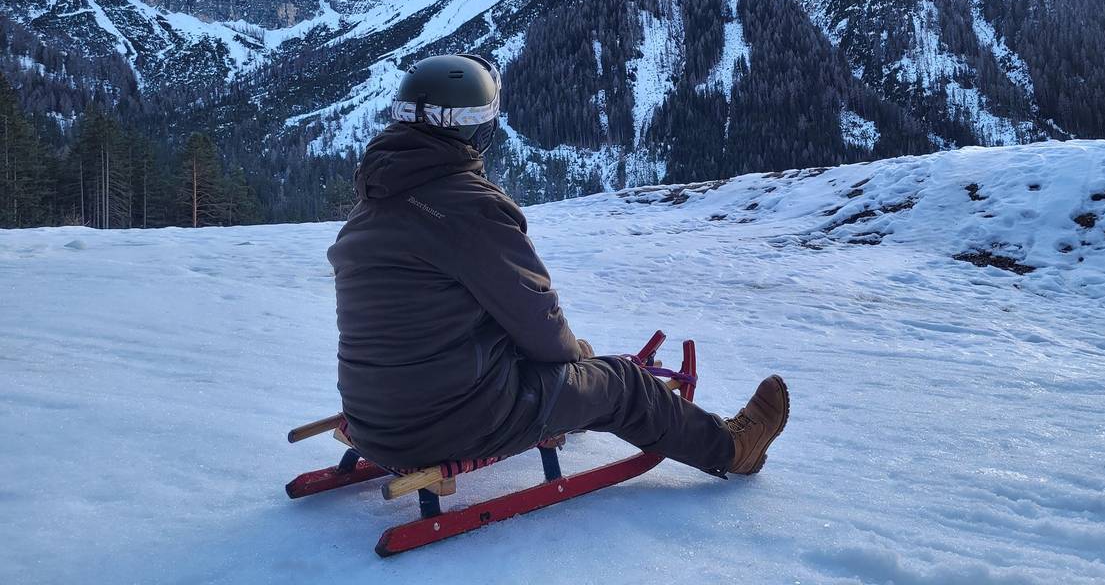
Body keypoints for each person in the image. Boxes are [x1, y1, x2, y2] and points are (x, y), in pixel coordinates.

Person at [327, 53, 788, 478]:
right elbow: (539, 322)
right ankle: (732, 448)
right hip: (451, 425)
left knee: (570, 359)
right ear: (473, 128)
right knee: (623, 384)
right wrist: (582, 365)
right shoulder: (471, 209)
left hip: (375, 424)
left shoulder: (372, 206)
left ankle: (571, 398)